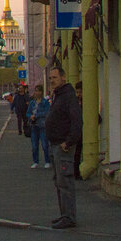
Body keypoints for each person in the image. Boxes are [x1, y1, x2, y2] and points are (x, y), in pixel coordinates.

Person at [45, 65, 82, 229]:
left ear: (63, 77)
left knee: (65, 181)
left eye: (55, 78)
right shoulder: (59, 95)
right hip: (55, 144)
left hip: (63, 146)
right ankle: (64, 215)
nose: (52, 80)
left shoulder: (68, 96)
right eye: (50, 78)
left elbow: (77, 122)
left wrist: (68, 142)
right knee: (59, 182)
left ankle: (69, 217)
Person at [27, 84, 51, 169]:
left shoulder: (45, 102)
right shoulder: (32, 103)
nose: (37, 93)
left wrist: (36, 115)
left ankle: (47, 161)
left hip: (43, 125)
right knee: (34, 145)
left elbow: (47, 112)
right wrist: (30, 116)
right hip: (34, 126)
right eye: (36, 91)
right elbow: (28, 112)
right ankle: (35, 161)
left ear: (42, 92)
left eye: (39, 91)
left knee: (45, 145)